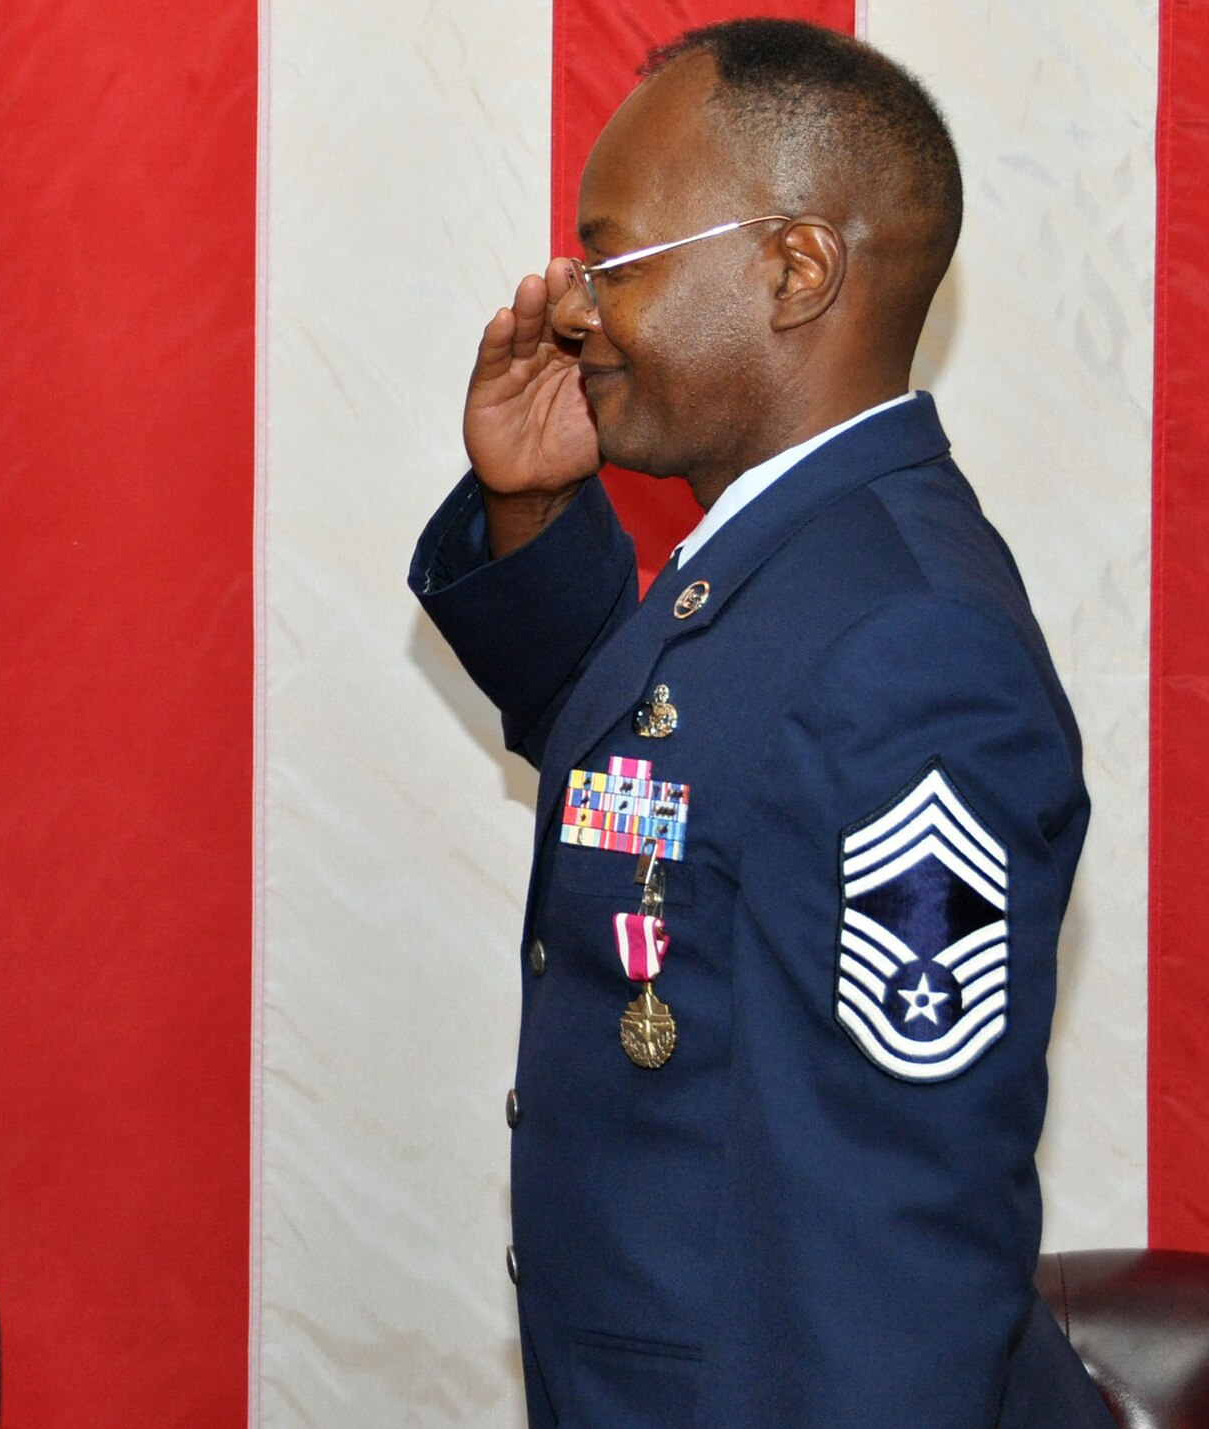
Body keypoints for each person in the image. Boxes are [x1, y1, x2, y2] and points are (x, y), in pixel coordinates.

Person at [411, 21, 1115, 1426]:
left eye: (614, 262)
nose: (574, 311)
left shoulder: (910, 647)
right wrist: (532, 510)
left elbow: (891, 1251)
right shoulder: (785, 559)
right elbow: (656, 773)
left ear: (796, 270)